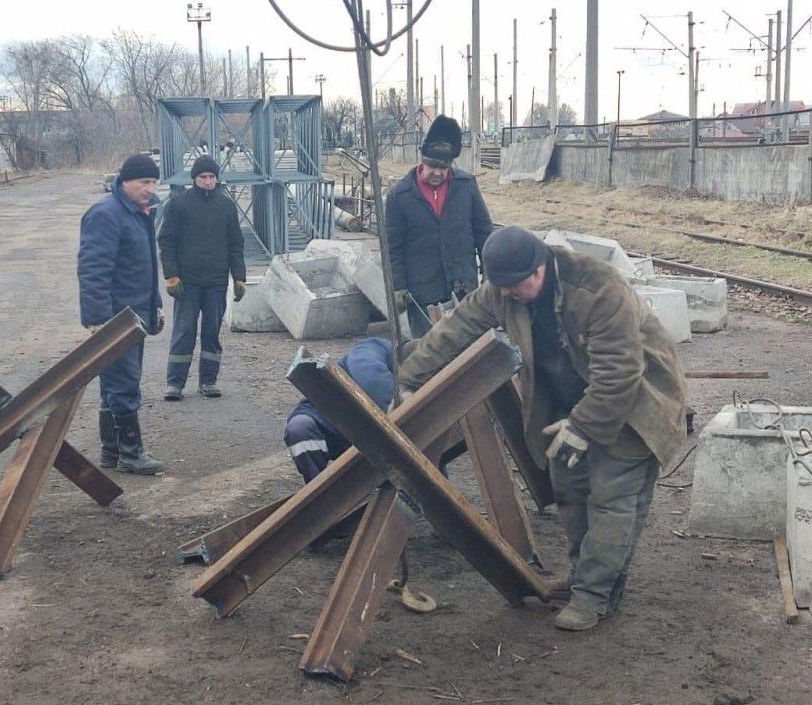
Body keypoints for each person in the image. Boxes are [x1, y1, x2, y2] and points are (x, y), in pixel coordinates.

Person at [399, 226, 687, 631]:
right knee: (570, 489)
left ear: (539, 269)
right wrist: (410, 377)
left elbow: (620, 373)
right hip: (570, 402)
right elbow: (457, 326)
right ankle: (583, 575)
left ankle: (594, 596)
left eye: (517, 286)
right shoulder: (504, 288)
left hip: (635, 406)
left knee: (612, 499)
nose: (509, 296)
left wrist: (583, 426)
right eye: (502, 289)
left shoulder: (600, 289)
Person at [78, 153, 165, 475]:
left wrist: (155, 303)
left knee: (115, 383)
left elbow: (145, 267)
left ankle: (112, 452)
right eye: (144, 182)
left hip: (137, 313)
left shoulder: (140, 213)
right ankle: (130, 452)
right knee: (124, 383)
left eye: (154, 182)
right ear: (125, 181)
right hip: (116, 317)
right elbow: (92, 270)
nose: (150, 188)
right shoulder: (106, 215)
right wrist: (99, 319)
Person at [385, 115, 494, 338]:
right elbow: (392, 245)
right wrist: (397, 286)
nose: (438, 172)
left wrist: (490, 272)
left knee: (470, 349)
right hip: (422, 291)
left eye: (443, 167)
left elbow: (484, 231)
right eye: (432, 166)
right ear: (422, 160)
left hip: (463, 286)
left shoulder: (466, 185)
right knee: (428, 353)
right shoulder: (401, 195)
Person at [158, 155, 245, 400]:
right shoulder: (178, 205)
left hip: (216, 282)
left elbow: (236, 244)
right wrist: (172, 275)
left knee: (211, 332)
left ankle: (208, 381)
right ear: (194, 179)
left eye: (211, 177)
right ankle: (174, 383)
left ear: (217, 179)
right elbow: (167, 241)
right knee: (184, 331)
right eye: (202, 177)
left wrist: (239, 277)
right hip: (188, 282)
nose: (207, 181)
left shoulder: (227, 206)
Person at [284, 337, 395, 483]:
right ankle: (317, 491)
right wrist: (397, 410)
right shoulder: (375, 347)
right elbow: (371, 379)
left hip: (369, 434)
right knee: (300, 428)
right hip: (330, 419)